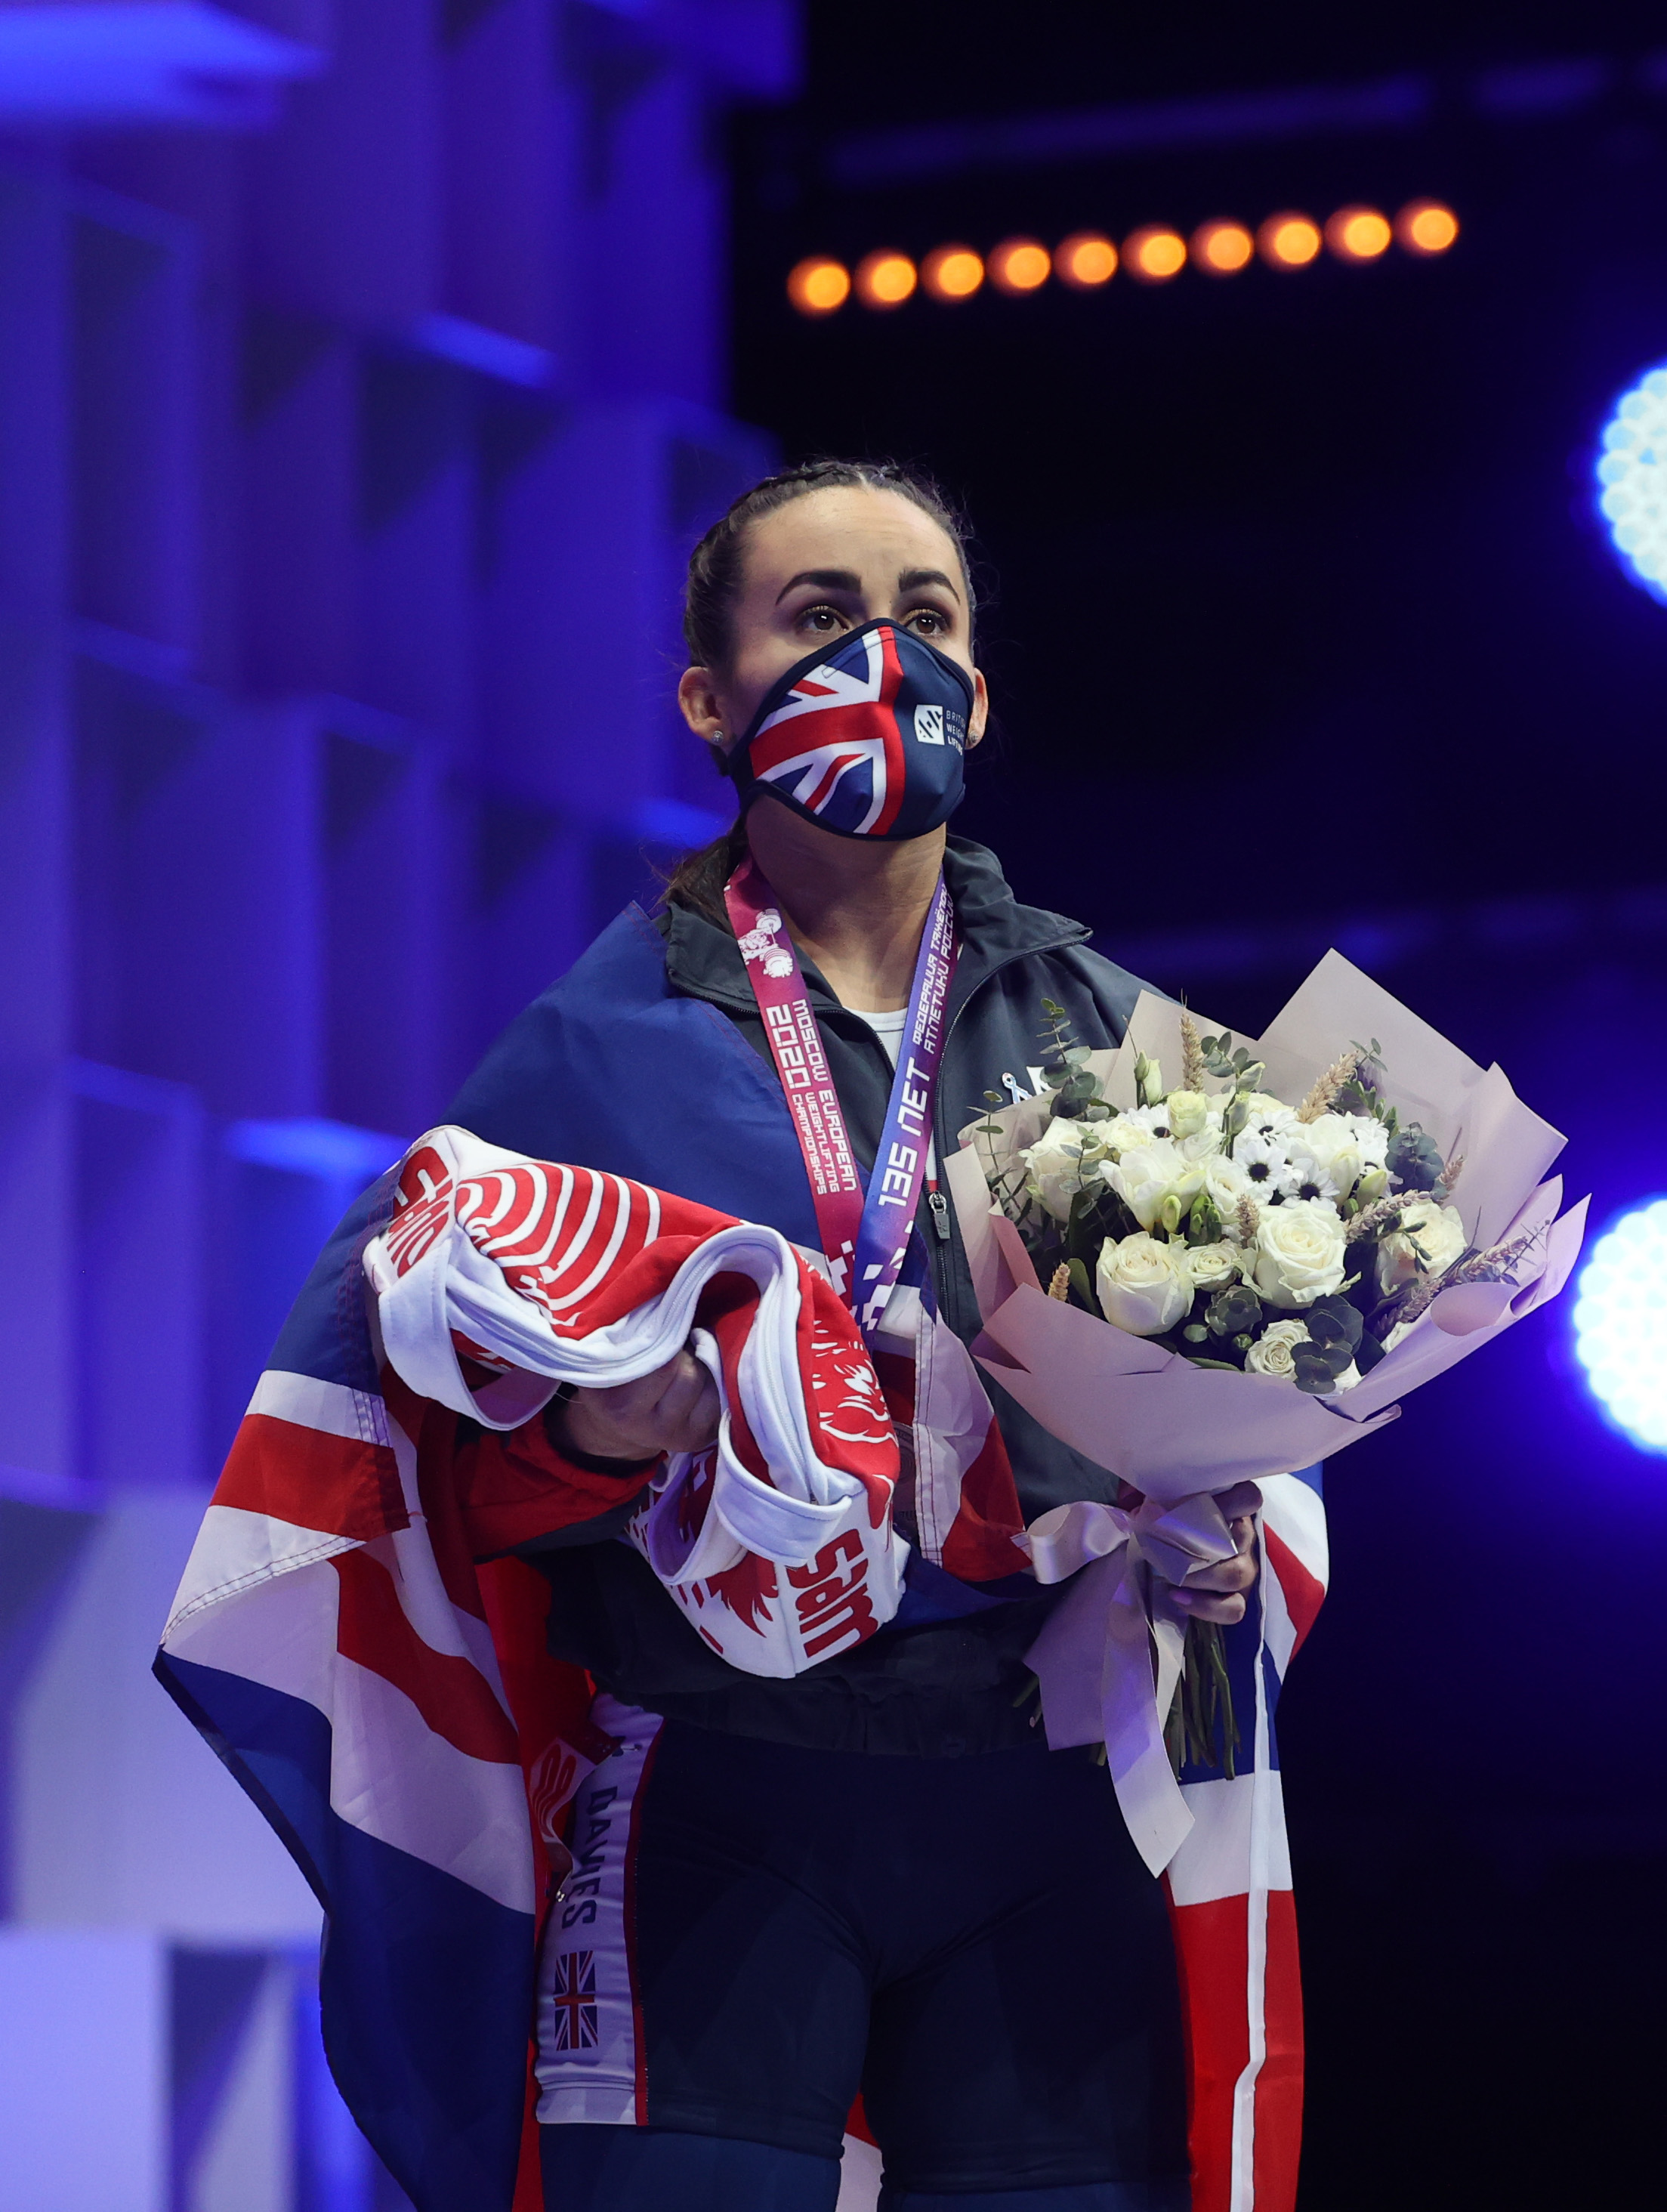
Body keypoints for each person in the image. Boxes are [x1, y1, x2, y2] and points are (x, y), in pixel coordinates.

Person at [171, 459, 1278, 2212]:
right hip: (713, 1807)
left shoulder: (1130, 1047)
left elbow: (1255, 1428)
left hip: (1046, 1805)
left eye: (924, 620)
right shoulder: (591, 1055)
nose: (882, 660)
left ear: (980, 693)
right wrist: (590, 1438)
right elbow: (436, 1477)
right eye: (820, 617)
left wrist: (1222, 1540)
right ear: (711, 698)